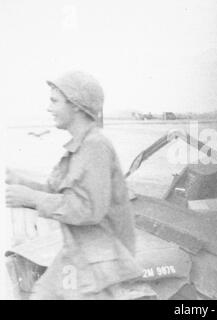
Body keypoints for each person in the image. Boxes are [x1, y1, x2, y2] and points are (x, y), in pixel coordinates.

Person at [5, 71, 143, 299]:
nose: (48, 108)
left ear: (76, 105)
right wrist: (19, 182)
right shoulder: (78, 148)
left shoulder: (95, 147)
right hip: (81, 254)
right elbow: (57, 193)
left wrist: (30, 197)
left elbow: (88, 210)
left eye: (54, 101)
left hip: (101, 261)